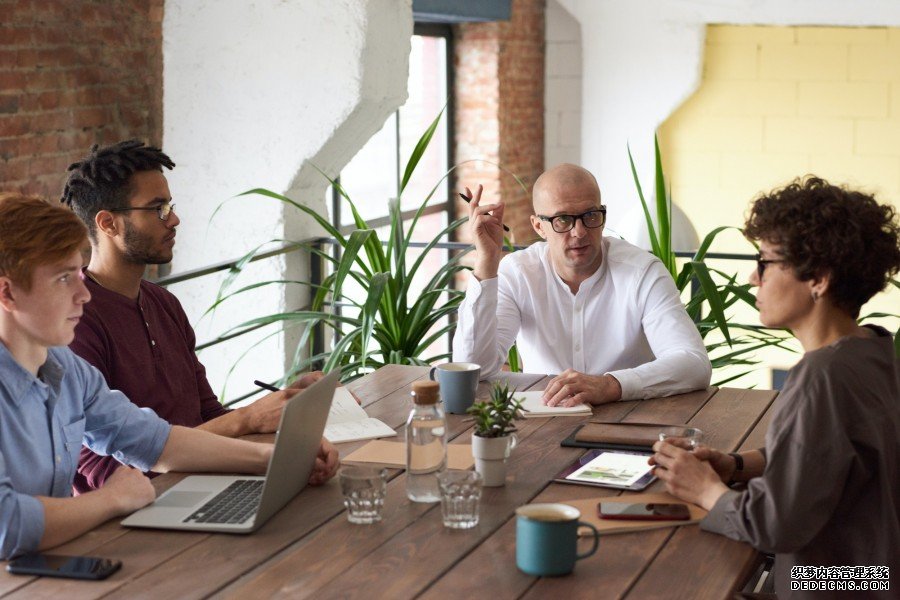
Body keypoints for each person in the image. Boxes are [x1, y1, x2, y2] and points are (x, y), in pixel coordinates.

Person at [0, 193, 339, 559]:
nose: (83, 294)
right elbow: (7, 526)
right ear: (8, 293)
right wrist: (112, 500)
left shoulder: (67, 370)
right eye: (64, 279)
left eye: (79, 273)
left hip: (44, 571)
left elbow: (155, 442)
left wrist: (276, 458)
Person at [650, 177, 900, 598]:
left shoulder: (822, 376)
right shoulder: (873, 351)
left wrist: (706, 489)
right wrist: (738, 465)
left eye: (765, 262)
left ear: (818, 278)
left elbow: (775, 525)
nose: (752, 277)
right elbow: (828, 456)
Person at [59, 140, 327, 493]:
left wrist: (277, 414)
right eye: (157, 209)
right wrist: (248, 421)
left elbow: (208, 414)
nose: (173, 219)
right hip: (136, 513)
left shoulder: (163, 303)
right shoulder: (74, 322)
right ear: (108, 223)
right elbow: (104, 473)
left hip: (205, 482)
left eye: (169, 205)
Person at [452, 163, 711, 405]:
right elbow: (472, 369)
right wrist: (486, 261)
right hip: (544, 420)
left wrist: (610, 385)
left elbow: (693, 363)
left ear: (603, 216)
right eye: (563, 219)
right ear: (539, 226)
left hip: (627, 418)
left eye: (590, 215)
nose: (579, 232)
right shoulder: (519, 272)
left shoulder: (642, 272)